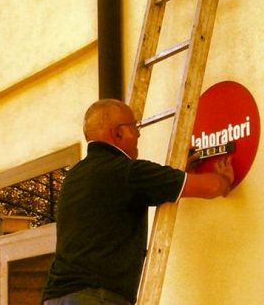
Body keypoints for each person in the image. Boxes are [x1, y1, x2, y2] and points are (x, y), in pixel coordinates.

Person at [41, 99, 235, 305]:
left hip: (56, 298)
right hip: (96, 298)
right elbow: (212, 187)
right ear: (118, 133)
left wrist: (178, 173)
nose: (139, 135)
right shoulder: (127, 172)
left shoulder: (75, 176)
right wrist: (224, 178)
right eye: (136, 128)